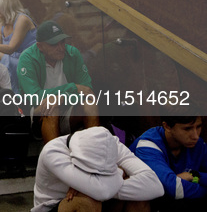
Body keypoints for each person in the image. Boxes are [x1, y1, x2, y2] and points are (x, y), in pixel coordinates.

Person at [33, 126, 164, 212]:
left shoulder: (111, 144)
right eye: (94, 173)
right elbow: (101, 192)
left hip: (100, 200)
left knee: (140, 198)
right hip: (52, 208)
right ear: (75, 155)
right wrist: (119, 172)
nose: (99, 177)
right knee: (87, 200)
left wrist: (91, 186)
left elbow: (155, 186)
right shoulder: (52, 152)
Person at [17, 20, 99, 143]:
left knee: (90, 103)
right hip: (39, 113)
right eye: (54, 44)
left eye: (62, 42)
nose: (61, 48)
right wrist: (71, 88)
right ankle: (55, 158)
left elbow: (87, 90)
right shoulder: (27, 58)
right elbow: (35, 97)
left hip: (69, 107)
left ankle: (96, 151)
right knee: (50, 106)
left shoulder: (73, 53)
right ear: (40, 46)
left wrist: (62, 98)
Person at [131, 109, 207, 210]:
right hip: (152, 201)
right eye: (187, 129)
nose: (195, 135)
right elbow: (174, 188)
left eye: (198, 127)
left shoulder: (198, 144)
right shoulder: (147, 145)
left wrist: (193, 176)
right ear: (167, 126)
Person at [0, 0, 37, 94]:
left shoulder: (22, 20)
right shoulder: (1, 24)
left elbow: (11, 48)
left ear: (9, 4)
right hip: (12, 62)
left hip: (28, 63)